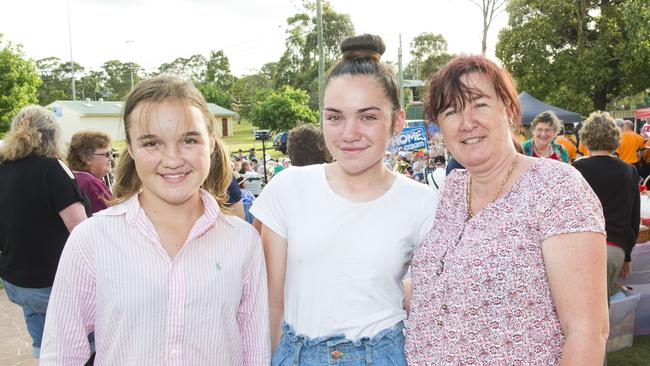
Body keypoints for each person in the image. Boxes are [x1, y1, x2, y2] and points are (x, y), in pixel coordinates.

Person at [40, 76, 270, 364]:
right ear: (131, 148)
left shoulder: (243, 241)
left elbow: (255, 351)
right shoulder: (92, 239)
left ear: (211, 143)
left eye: (188, 139)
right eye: (152, 143)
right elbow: (62, 353)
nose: (172, 159)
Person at [406, 55, 608, 365]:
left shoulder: (555, 188)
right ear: (440, 127)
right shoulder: (451, 190)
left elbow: (587, 331)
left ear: (508, 109)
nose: (466, 122)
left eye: (480, 104)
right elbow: (444, 289)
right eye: (451, 111)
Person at [251, 34, 437, 365]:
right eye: (335, 117)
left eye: (368, 117)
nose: (349, 133)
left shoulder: (423, 204)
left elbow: (430, 302)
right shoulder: (287, 188)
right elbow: (270, 302)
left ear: (397, 121)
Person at [0, 105, 88, 360]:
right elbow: (80, 230)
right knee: (84, 345)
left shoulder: (3, 168)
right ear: (53, 135)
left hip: (17, 279)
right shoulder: (52, 168)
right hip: (53, 281)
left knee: (42, 343)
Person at [573, 111, 640, 296]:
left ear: (585, 138)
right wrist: (626, 255)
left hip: (583, 247)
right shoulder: (629, 171)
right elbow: (633, 219)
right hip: (615, 249)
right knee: (603, 307)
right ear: (615, 138)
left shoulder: (575, 170)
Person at [66, 130, 114, 214]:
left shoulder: (70, 175)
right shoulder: (90, 183)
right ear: (86, 158)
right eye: (106, 155)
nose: (111, 158)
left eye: (111, 153)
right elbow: (110, 218)